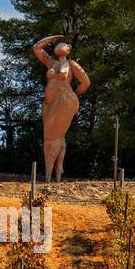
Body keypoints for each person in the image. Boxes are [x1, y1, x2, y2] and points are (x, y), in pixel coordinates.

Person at [32, 34, 90, 183]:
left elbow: (85, 82)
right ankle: (55, 174)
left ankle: (50, 176)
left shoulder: (71, 64)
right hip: (49, 103)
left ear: (69, 49)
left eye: (63, 44)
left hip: (64, 101)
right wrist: (51, 38)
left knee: (53, 138)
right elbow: (37, 48)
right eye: (58, 44)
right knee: (51, 137)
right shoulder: (51, 63)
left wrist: (73, 94)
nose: (59, 45)